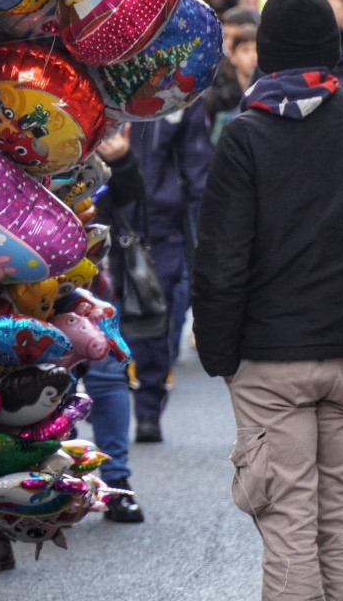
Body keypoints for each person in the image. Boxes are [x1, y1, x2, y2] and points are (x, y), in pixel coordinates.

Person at [192, 0, 343, 601]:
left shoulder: (247, 137)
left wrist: (221, 356)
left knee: (290, 528)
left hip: (271, 357)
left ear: (268, 53)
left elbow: (221, 262)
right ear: (333, 50)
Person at [126, 103, 208, 444]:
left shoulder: (181, 93)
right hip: (102, 214)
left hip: (162, 226)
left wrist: (206, 236)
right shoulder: (101, 74)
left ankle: (148, 406)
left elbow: (197, 168)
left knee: (156, 321)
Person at [82, 124, 145, 522]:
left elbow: (128, 197)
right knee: (48, 385)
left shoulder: (92, 119)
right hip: (22, 272)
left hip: (91, 276)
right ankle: (55, 484)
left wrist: (121, 159)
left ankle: (117, 482)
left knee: (107, 377)